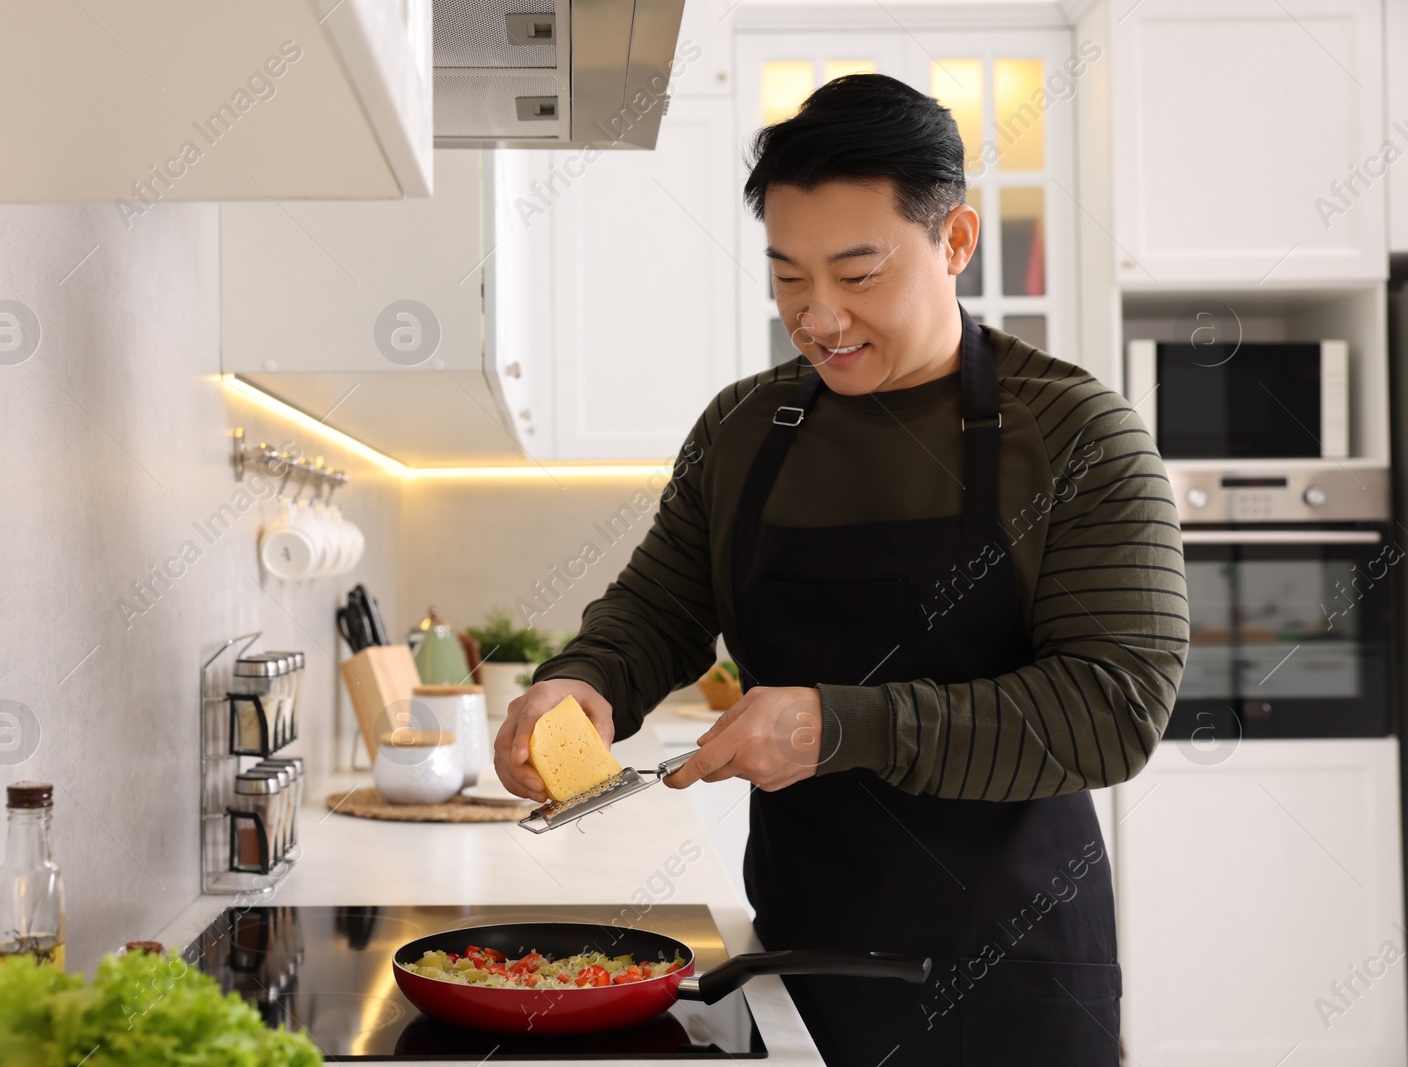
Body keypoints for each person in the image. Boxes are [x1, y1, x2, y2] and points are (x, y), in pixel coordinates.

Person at [494, 73, 1186, 1066]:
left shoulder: (1078, 435)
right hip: (800, 958)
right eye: (787, 276)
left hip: (1016, 972)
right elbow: (658, 608)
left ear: (954, 241)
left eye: (857, 274)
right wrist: (583, 683)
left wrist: (837, 724)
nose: (818, 317)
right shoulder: (742, 429)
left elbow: (1112, 707)